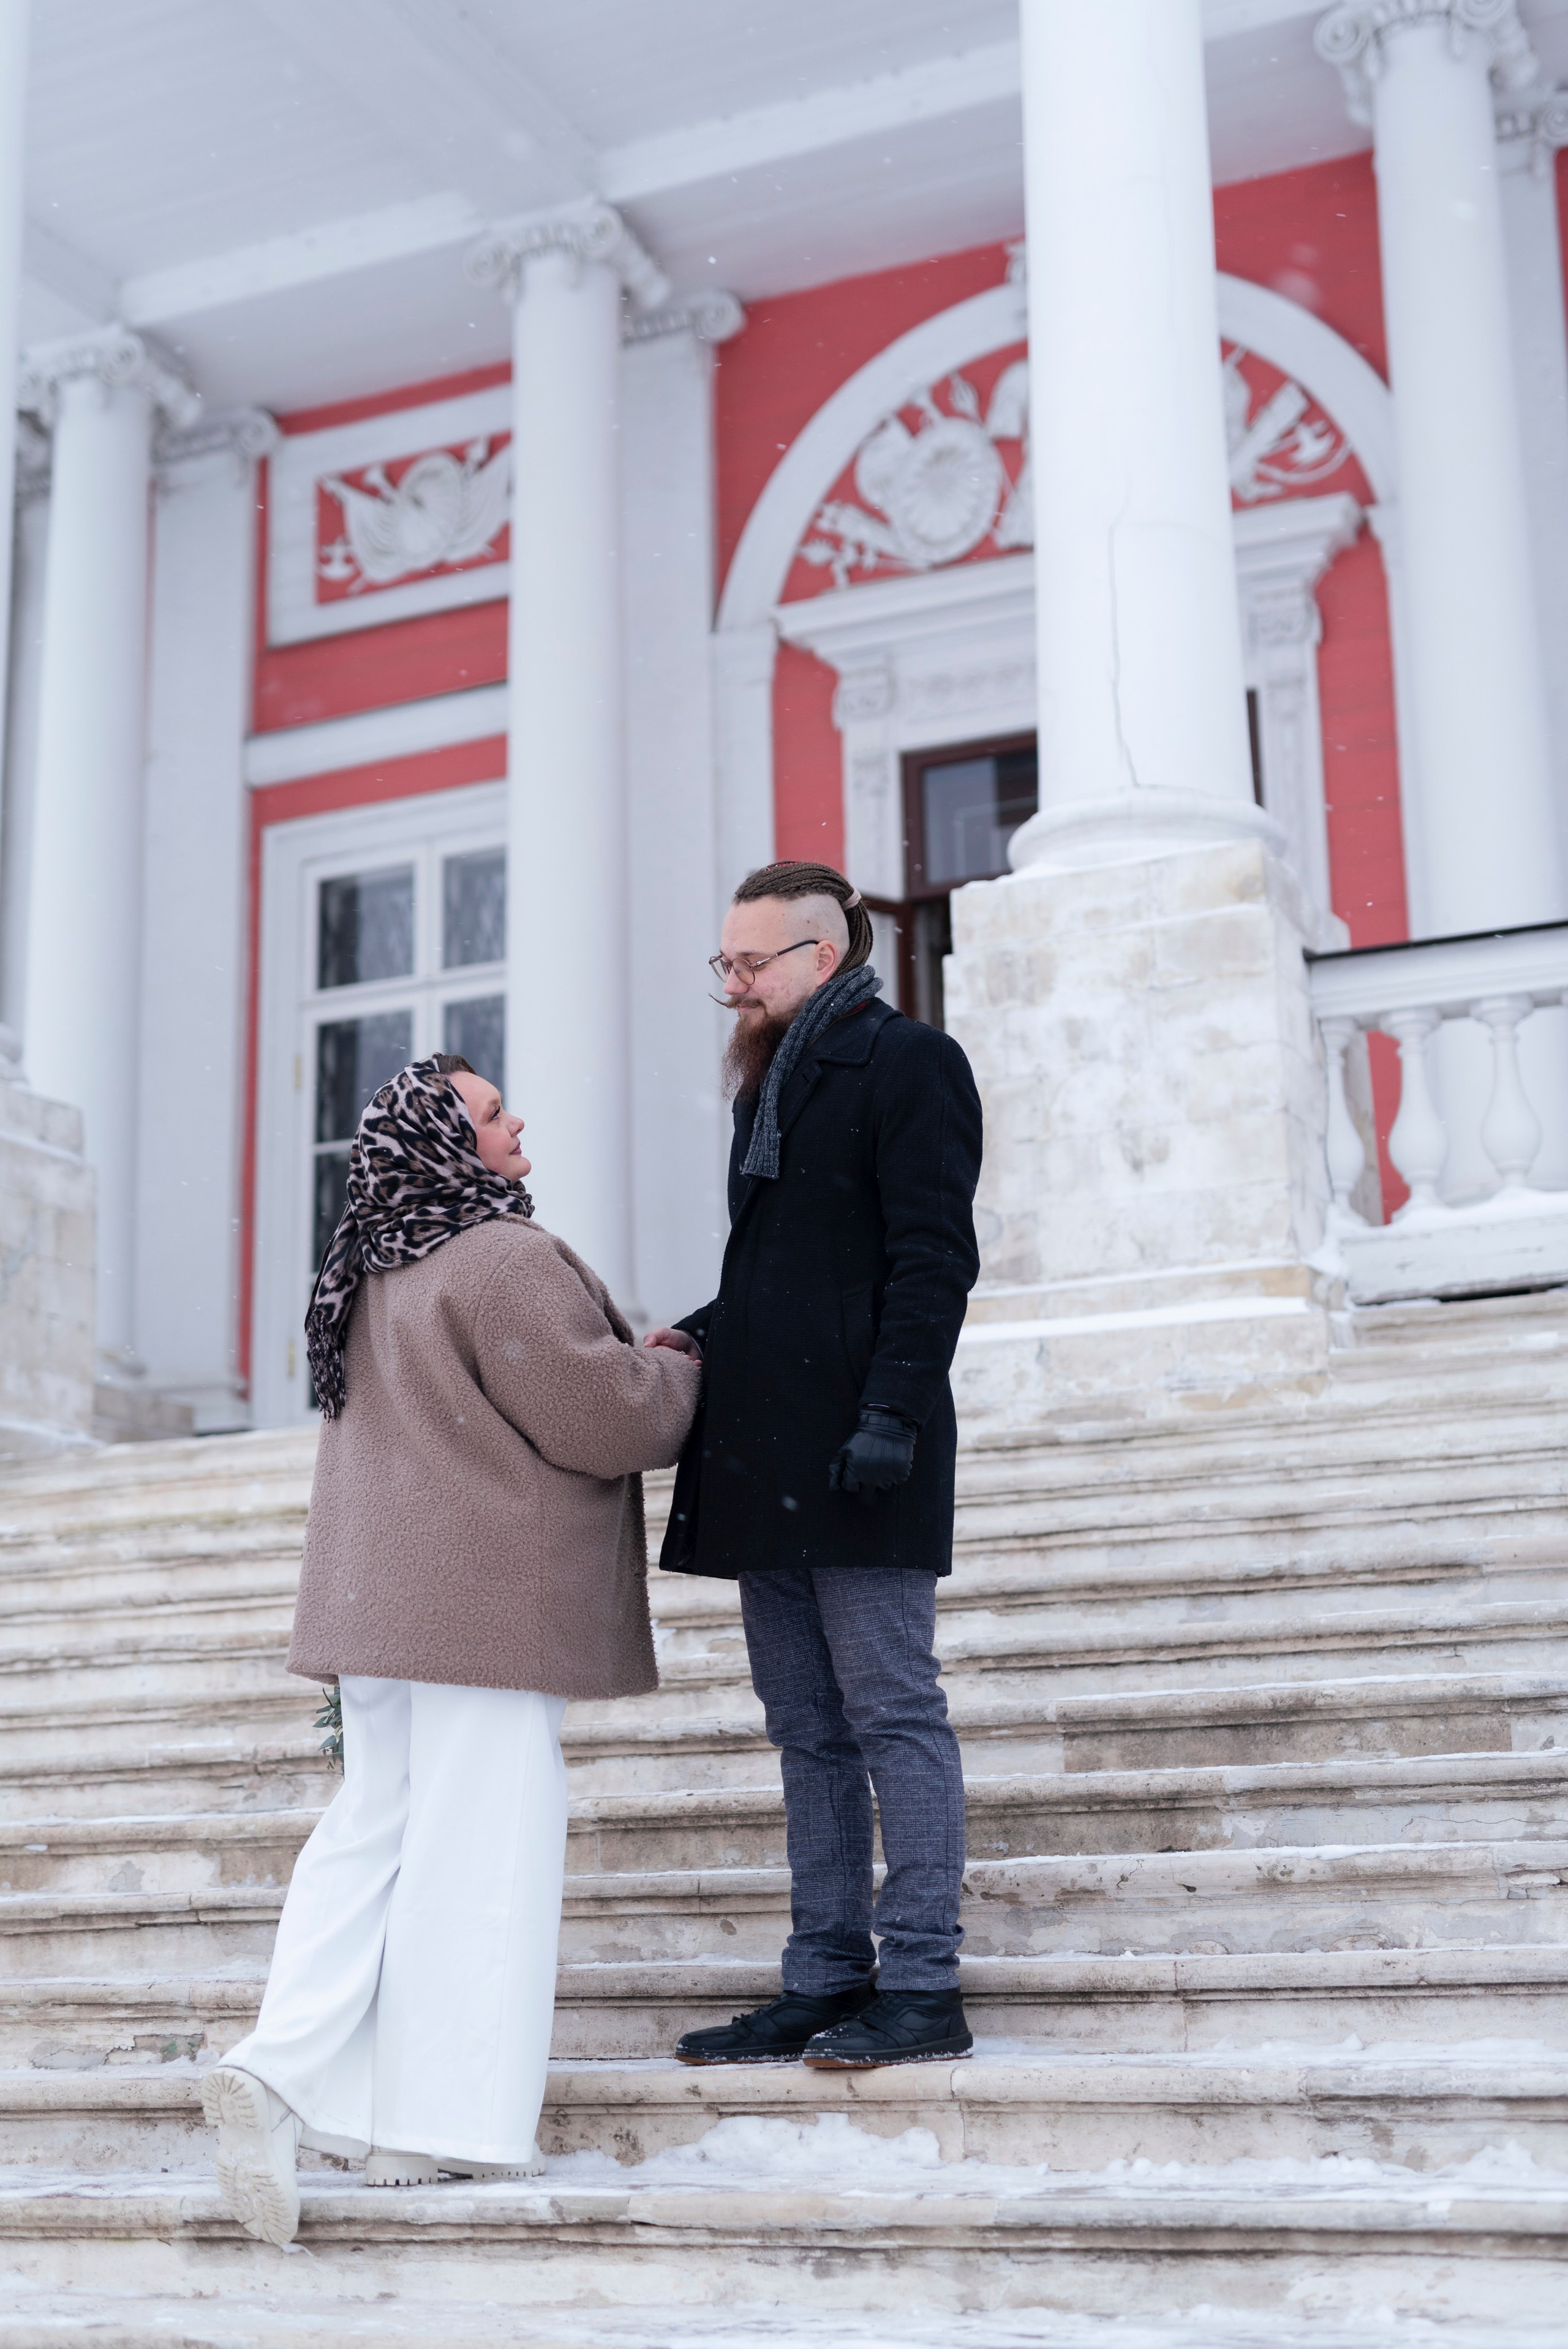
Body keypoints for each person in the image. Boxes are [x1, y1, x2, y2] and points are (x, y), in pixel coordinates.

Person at [202, 1054, 700, 2245]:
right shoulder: (501, 1258)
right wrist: (679, 1366)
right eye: (487, 1111)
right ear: (444, 1142)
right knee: (483, 1858)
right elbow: (602, 1418)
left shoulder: (368, 1274)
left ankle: (315, 2084)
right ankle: (441, 2121)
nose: (514, 1118)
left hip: (382, 1610)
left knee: (370, 1840)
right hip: (485, 1607)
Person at [646, 860, 982, 2069]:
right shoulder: (766, 1088)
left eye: (749, 964)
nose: (731, 986)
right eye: (723, 966)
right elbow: (786, 1268)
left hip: (860, 1451)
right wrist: (703, 1327)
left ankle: (922, 1983)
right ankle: (826, 1972)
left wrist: (890, 1412)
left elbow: (929, 1256)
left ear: (818, 959)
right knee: (804, 1726)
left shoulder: (908, 1064)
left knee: (891, 1712)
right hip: (765, 1454)